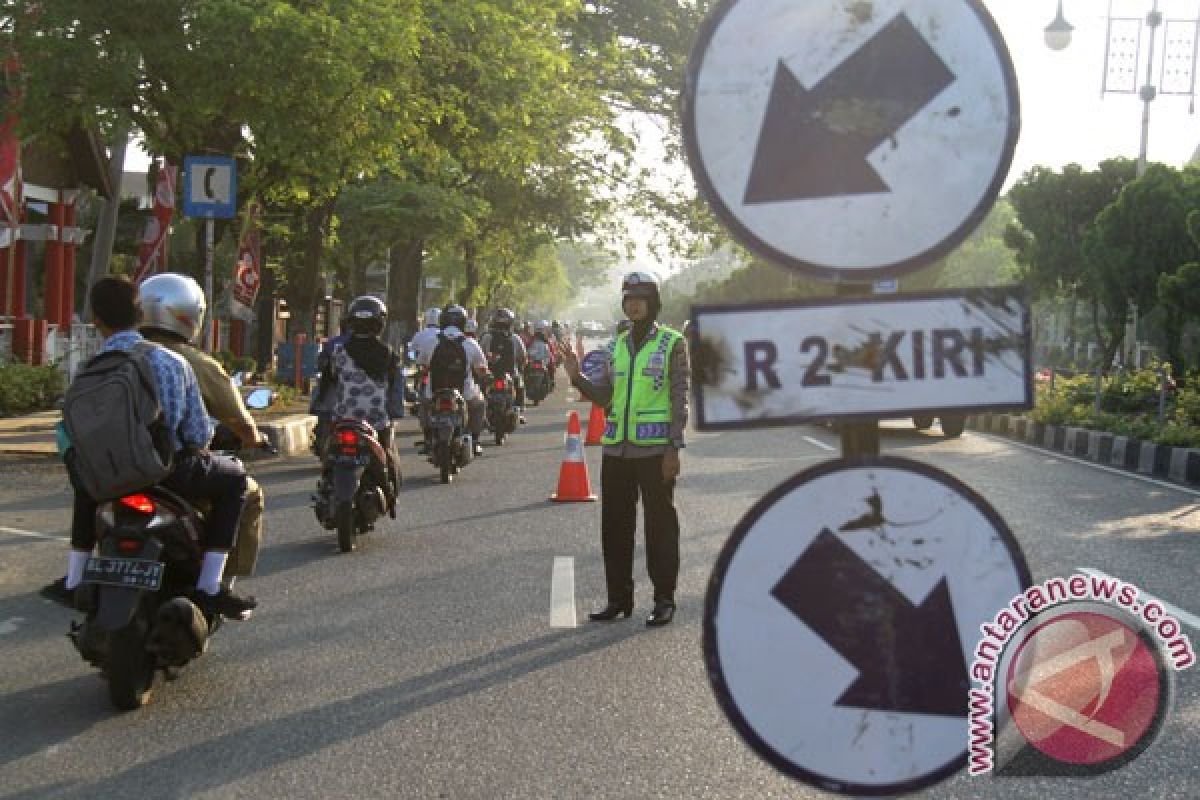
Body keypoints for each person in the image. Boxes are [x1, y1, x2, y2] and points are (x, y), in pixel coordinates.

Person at [59, 276, 256, 621]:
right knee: (235, 481)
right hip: (169, 474)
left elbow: (73, 430)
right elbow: (197, 434)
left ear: (96, 319)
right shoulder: (172, 363)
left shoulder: (87, 368)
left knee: (86, 483)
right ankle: (210, 586)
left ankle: (74, 578)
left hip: (111, 476)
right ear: (139, 313)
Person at [563, 271, 689, 627]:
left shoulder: (672, 343)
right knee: (614, 527)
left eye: (639, 298)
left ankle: (664, 599)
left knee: (660, 527)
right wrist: (576, 377)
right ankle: (618, 599)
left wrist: (674, 448)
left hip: (654, 451)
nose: (633, 304)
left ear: (652, 303)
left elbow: (680, 399)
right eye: (627, 299)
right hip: (616, 450)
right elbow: (604, 398)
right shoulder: (614, 346)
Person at [138, 273, 269, 582]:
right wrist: (253, 439)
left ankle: (77, 572)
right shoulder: (192, 363)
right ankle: (217, 583)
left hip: (119, 466)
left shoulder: (119, 354)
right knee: (245, 491)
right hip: (174, 468)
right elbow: (232, 421)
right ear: (190, 314)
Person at [314, 295, 405, 510]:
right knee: (389, 457)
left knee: (329, 457)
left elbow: (327, 383)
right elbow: (395, 388)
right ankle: (391, 498)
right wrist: (395, 412)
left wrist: (320, 409)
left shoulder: (337, 352)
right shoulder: (388, 355)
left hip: (342, 419)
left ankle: (327, 486)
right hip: (377, 421)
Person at [419, 303, 488, 457]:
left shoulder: (431, 341)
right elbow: (482, 368)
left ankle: (427, 439)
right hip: (465, 393)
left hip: (434, 393)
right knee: (480, 404)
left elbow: (422, 366)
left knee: (423, 404)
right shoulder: (470, 343)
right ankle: (475, 441)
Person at [479, 307, 528, 422]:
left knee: (480, 390)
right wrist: (521, 366)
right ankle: (519, 411)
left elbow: (480, 355)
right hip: (510, 374)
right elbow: (524, 357)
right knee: (520, 386)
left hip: (489, 374)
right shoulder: (515, 338)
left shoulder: (487, 337)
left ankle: (481, 416)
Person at [410, 307, 443, 454]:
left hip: (426, 373)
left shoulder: (420, 335)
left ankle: (428, 436)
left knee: (423, 402)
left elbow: (413, 353)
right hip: (441, 377)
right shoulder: (444, 336)